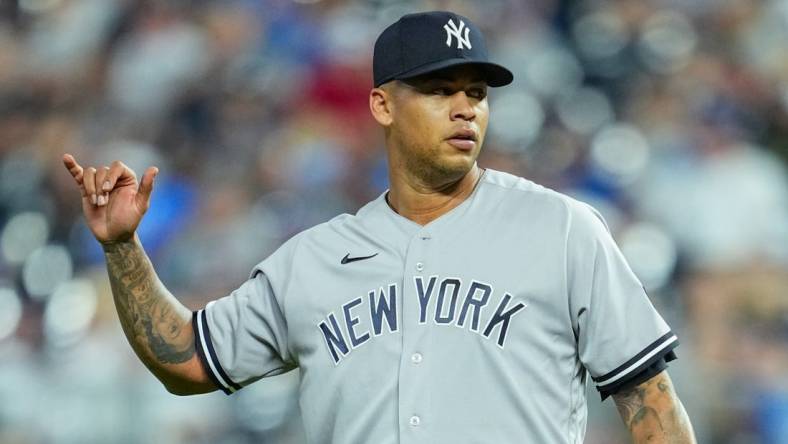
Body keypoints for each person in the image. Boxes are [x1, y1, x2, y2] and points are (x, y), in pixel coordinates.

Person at [63, 10, 695, 444]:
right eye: (439, 89)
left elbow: (652, 407)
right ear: (383, 104)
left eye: (476, 92)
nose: (464, 108)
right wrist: (122, 248)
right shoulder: (315, 259)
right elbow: (188, 360)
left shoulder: (562, 229)